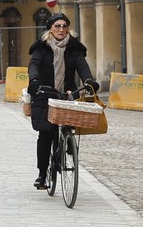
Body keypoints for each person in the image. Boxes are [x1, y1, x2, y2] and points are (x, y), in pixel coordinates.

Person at [27, 12, 99, 190]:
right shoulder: (41, 48)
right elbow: (33, 65)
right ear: (50, 29)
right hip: (45, 92)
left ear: (68, 29)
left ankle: (67, 145)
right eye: (57, 26)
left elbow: (82, 66)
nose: (61, 29)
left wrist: (88, 81)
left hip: (67, 93)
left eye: (64, 26)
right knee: (45, 134)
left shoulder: (74, 48)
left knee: (69, 126)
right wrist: (34, 81)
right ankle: (42, 175)